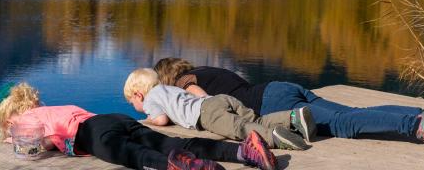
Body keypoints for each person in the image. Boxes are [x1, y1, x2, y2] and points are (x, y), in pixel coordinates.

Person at [154, 58, 424, 155]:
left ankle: (419, 128)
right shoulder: (213, 70)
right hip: (279, 88)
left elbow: (203, 102)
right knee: (352, 115)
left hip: (271, 103)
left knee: (344, 124)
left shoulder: (186, 81)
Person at [0, 82, 278, 170]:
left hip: (91, 133)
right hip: (112, 119)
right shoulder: (51, 109)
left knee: (131, 154)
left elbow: (41, 143)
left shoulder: (22, 122)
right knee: (173, 141)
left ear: (9, 117)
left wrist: (18, 142)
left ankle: (179, 167)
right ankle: (244, 151)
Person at [124, 68, 316, 151]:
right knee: (253, 119)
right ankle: (291, 118)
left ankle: (273, 137)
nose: (137, 108)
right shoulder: (170, 88)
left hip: (207, 114)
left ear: (138, 95)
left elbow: (161, 120)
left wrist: (149, 119)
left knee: (239, 128)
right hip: (219, 100)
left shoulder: (150, 99)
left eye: (132, 103)